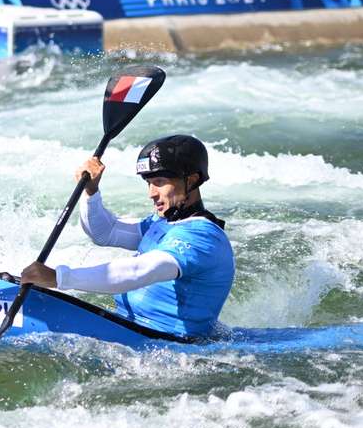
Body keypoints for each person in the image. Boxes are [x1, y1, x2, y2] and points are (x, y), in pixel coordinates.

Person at [20, 135, 235, 341]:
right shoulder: (163, 223)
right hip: (130, 328)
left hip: (166, 348)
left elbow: (140, 270)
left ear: (192, 180)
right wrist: (91, 191)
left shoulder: (203, 237)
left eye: (160, 182)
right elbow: (106, 232)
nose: (151, 193)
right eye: (148, 182)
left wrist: (59, 278)